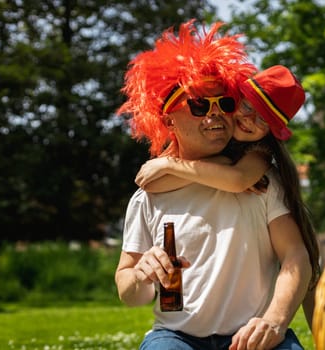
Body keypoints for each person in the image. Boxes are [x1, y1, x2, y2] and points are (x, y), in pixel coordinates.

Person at [115, 20, 311, 350]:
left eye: (225, 103)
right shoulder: (148, 196)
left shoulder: (260, 177)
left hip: (253, 334)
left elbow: (295, 254)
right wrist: (139, 276)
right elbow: (128, 287)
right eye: (199, 104)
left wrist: (274, 321)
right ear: (168, 119)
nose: (216, 114)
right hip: (177, 337)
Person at [135, 65, 325, 349]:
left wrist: (169, 164)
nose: (249, 118)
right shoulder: (218, 148)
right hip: (182, 330)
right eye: (245, 105)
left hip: (278, 227)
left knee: (309, 284)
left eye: (263, 118)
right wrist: (171, 167)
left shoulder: (259, 154)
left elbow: (236, 179)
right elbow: (152, 185)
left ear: (271, 131)